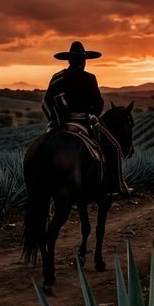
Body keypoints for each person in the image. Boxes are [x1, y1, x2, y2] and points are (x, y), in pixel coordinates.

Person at [42, 41, 131, 198]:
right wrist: (92, 115)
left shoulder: (57, 78)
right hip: (83, 122)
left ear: (69, 61)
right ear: (83, 61)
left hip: (58, 125)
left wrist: (56, 122)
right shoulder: (89, 78)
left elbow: (46, 103)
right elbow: (98, 103)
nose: (82, 63)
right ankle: (116, 187)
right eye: (82, 60)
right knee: (114, 147)